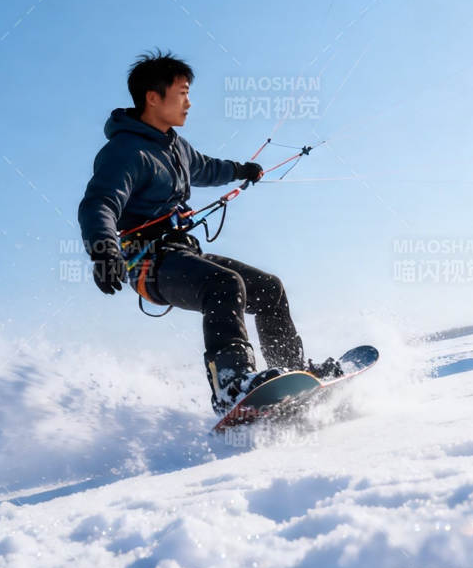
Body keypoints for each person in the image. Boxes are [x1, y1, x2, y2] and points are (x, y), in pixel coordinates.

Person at [78, 50, 340, 415]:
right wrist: (103, 252)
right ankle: (231, 385)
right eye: (182, 93)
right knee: (225, 284)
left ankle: (292, 374)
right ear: (153, 98)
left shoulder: (175, 146)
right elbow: (100, 203)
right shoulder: (124, 152)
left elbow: (206, 168)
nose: (189, 103)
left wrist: (241, 170)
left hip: (183, 253)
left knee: (269, 288)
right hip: (148, 264)